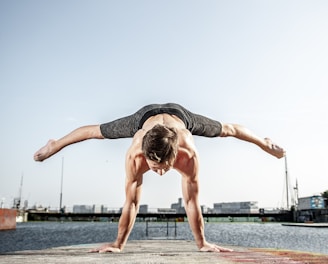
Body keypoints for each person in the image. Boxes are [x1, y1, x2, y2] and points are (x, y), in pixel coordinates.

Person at [34, 103, 285, 253]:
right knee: (96, 133)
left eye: (166, 166)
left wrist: (202, 243)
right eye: (155, 167)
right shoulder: (135, 155)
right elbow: (131, 202)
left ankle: (264, 142)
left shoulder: (188, 154)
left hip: (180, 116)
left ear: (176, 155)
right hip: (144, 118)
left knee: (227, 130)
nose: (162, 172)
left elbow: (191, 201)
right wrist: (118, 244)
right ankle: (55, 144)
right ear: (145, 156)